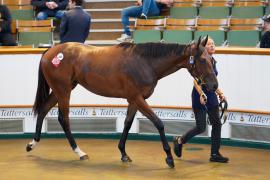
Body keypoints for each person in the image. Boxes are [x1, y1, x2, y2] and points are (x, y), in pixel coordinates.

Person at [173, 37, 229, 163]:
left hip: (211, 96)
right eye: (209, 44)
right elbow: (196, 81)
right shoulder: (200, 61)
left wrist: (220, 93)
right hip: (199, 96)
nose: (212, 46)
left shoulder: (212, 61)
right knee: (201, 127)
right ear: (203, 47)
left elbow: (212, 82)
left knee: (217, 124)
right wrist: (202, 94)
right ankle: (179, 141)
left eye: (214, 44)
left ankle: (215, 153)